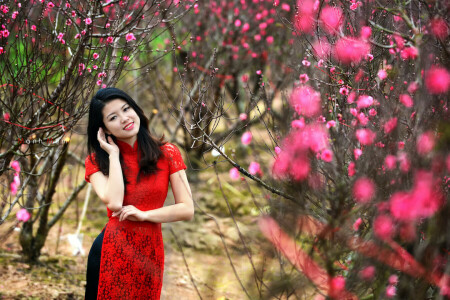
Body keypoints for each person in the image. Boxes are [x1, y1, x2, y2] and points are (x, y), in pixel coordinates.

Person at [84, 87, 194, 299]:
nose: (124, 118)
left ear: (135, 109)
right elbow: (115, 204)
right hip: (110, 250)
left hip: (150, 253)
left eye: (126, 109)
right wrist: (114, 155)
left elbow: (187, 209)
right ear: (104, 128)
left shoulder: (168, 153)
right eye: (113, 117)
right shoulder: (96, 162)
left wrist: (145, 215)